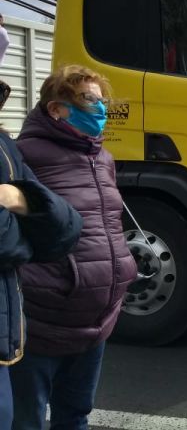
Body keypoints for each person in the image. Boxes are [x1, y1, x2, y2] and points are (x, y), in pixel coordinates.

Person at [10, 65, 138, 430]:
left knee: (76, 416)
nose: (100, 109)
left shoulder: (102, 158)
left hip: (96, 320)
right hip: (43, 320)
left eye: (103, 101)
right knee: (27, 420)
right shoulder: (24, 155)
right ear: (56, 109)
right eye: (89, 100)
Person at [0, 127, 81, 427]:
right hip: (44, 312)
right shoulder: (35, 148)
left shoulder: (4, 143)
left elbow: (68, 225)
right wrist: (28, 229)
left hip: (9, 334)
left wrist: (15, 195)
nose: (100, 108)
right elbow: (8, 244)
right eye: (90, 100)